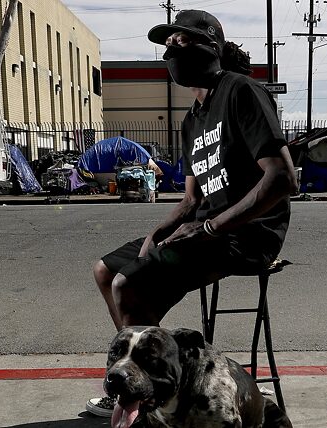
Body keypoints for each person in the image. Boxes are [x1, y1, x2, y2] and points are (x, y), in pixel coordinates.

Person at [86, 9, 298, 417]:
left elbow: (283, 179)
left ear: (211, 47)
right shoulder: (192, 121)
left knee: (126, 286)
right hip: (206, 228)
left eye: (181, 42)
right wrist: (159, 231)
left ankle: (151, 395)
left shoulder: (240, 92)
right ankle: (150, 382)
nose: (172, 51)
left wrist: (210, 227)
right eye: (168, 45)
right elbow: (190, 200)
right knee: (104, 271)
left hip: (247, 235)